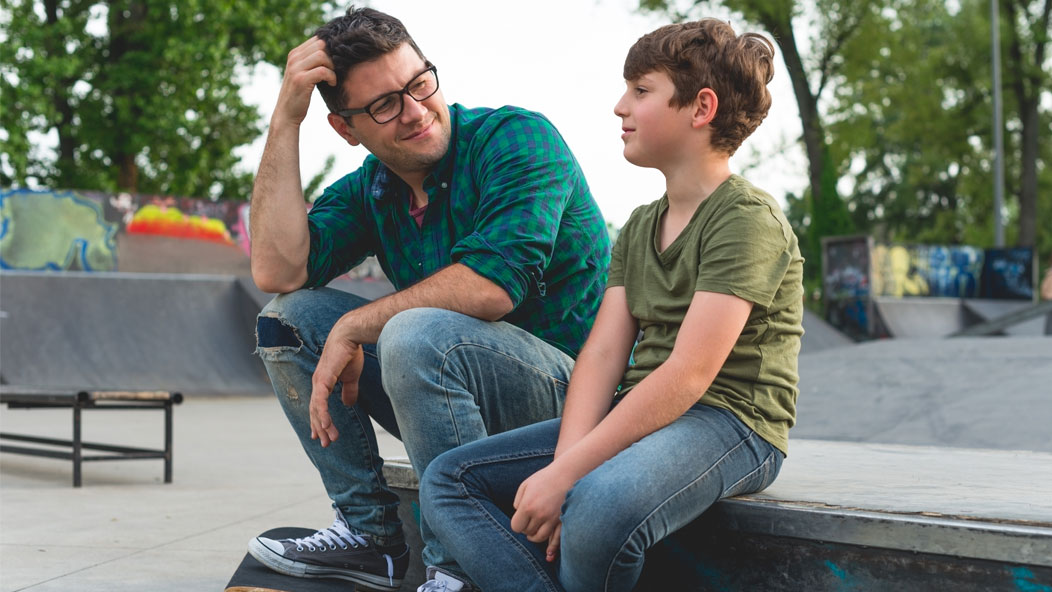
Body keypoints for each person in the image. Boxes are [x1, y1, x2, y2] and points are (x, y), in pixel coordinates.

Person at [420, 18, 804, 592]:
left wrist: (572, 476)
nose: (619, 106)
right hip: (640, 412)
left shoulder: (747, 219)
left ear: (700, 108)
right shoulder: (641, 225)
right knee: (448, 480)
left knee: (597, 509)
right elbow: (602, 354)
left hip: (732, 421)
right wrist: (562, 469)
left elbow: (689, 373)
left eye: (641, 91)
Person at [246, 6, 610, 592]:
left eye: (419, 84)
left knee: (413, 333)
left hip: (577, 409)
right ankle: (371, 539)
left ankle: (456, 570)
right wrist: (286, 119)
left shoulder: (515, 138)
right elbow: (276, 267)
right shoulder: (374, 188)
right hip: (456, 394)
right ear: (345, 128)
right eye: (386, 105)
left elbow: (491, 287)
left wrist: (357, 326)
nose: (416, 112)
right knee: (289, 320)